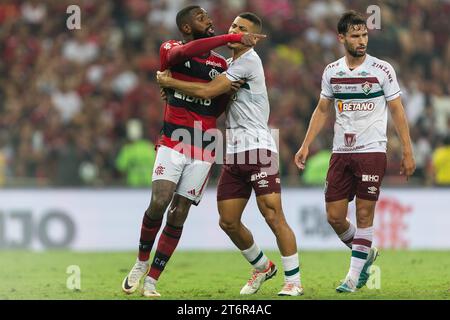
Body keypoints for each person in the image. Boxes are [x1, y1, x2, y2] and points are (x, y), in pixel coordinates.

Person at [121, 5, 263, 297]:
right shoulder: (170, 48)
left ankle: (152, 281)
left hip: (204, 146)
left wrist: (178, 88)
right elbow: (178, 58)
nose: (209, 20)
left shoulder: (221, 66)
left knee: (179, 212)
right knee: (159, 201)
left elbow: (219, 104)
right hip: (173, 140)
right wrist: (227, 38)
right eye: (201, 18)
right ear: (186, 28)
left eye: (208, 16)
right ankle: (140, 262)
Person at [157, 12, 303, 296]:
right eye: (234, 25)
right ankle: (262, 267)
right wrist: (172, 93)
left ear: (253, 38)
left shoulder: (248, 61)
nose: (234, 30)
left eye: (242, 28)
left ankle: (294, 281)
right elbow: (210, 98)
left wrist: (170, 83)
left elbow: (208, 92)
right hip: (234, 152)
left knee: (272, 215)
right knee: (228, 221)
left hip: (259, 147)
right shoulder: (228, 64)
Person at [294, 11, 416, 293]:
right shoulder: (331, 71)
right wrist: (305, 143)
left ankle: (351, 277)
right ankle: (367, 255)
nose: (362, 41)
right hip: (340, 151)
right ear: (342, 38)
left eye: (364, 35)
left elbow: (397, 110)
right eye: (355, 36)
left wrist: (408, 151)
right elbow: (323, 108)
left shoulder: (382, 70)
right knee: (334, 217)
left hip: (372, 150)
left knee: (363, 214)